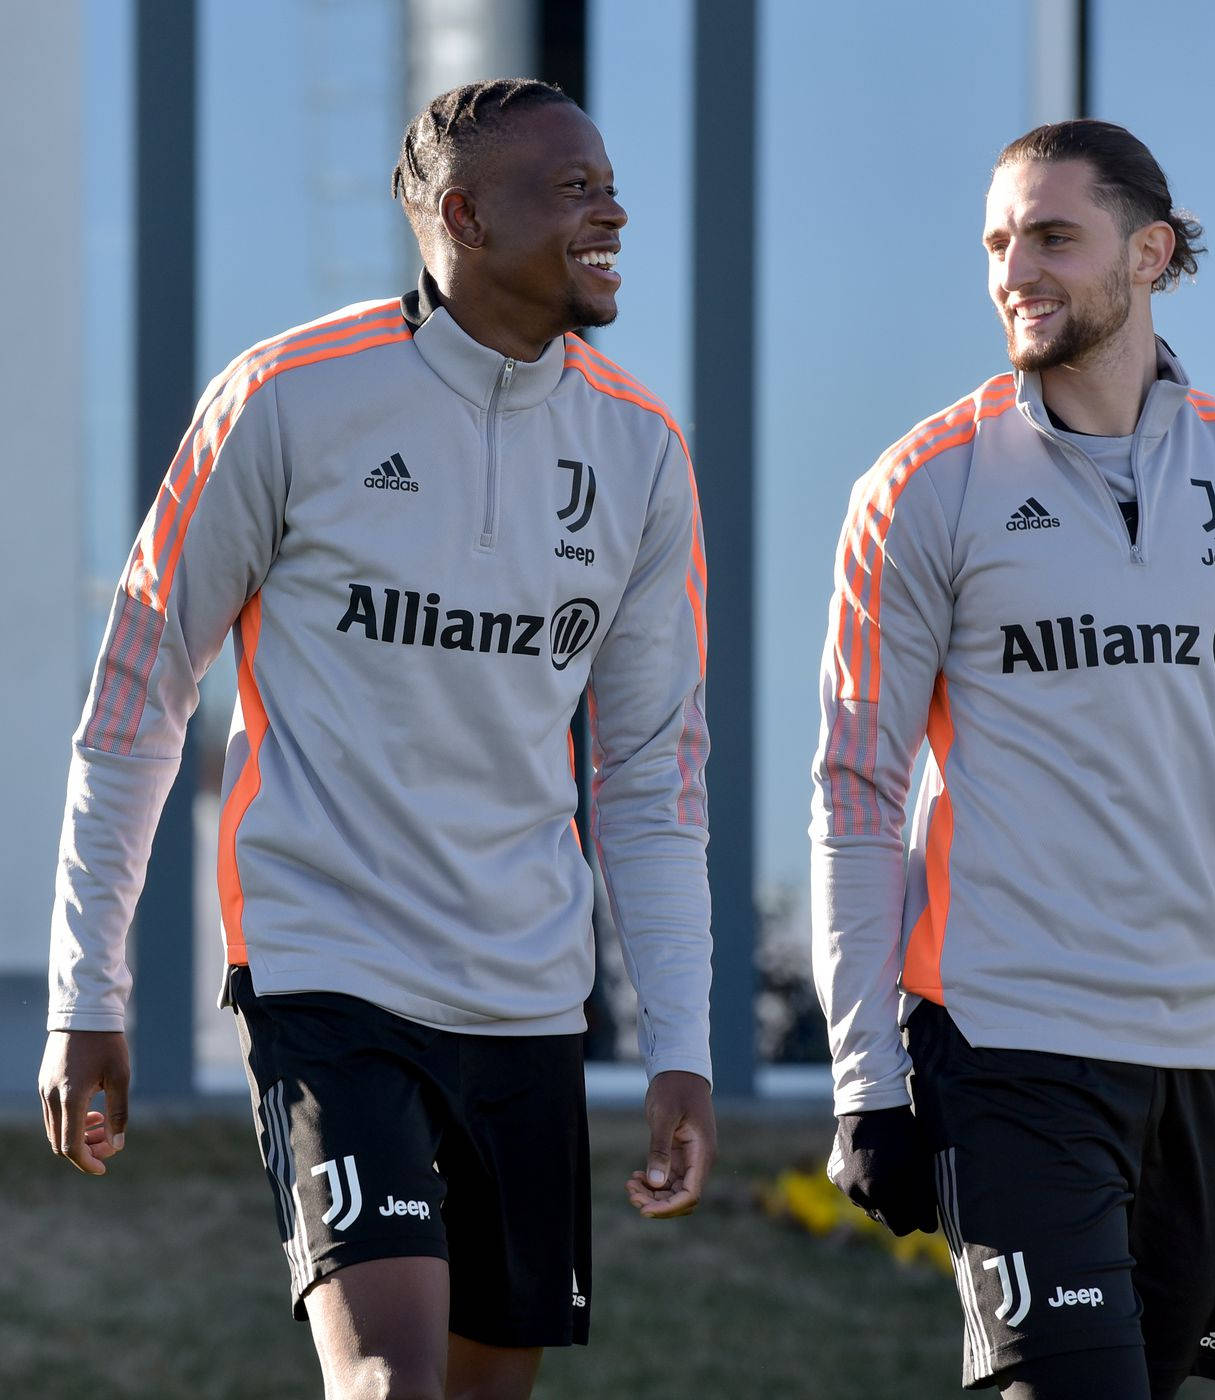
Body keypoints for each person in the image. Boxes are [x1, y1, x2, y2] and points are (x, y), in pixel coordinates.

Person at [39, 78, 715, 1400]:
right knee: (392, 1385)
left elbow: (650, 775)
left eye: (609, 181)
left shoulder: (642, 452)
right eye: (572, 188)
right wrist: (87, 992)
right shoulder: (284, 399)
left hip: (527, 1002)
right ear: (461, 215)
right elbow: (136, 701)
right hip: (327, 975)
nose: (613, 209)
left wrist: (679, 1040)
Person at [811, 118, 1215, 1399]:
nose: (1012, 270)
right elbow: (856, 790)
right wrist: (864, 1074)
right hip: (1004, 1037)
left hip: (1195, 1041)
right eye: (996, 241)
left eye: (1051, 234)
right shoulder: (921, 486)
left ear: (1148, 253)